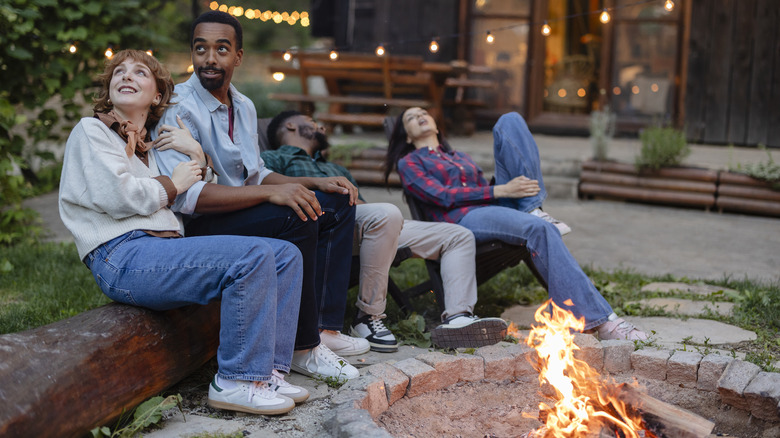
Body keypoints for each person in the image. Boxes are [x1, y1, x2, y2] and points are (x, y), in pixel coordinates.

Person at [58, 49, 308, 416]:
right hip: (121, 254)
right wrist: (170, 185)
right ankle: (235, 381)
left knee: (286, 254)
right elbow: (118, 196)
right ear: (109, 89)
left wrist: (197, 154)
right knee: (253, 257)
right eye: (119, 73)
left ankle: (266, 373)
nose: (126, 76)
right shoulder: (92, 131)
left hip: (162, 249)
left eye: (140, 72)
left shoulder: (151, 145)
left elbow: (193, 190)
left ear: (157, 95)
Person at [151, 11, 365, 382]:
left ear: (238, 56)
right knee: (297, 214)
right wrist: (272, 196)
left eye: (221, 49)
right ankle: (302, 347)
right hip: (204, 224)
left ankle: (324, 329)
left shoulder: (244, 105)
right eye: (201, 49)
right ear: (192, 53)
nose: (210, 59)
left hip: (244, 208)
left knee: (336, 203)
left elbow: (256, 173)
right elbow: (189, 198)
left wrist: (315, 183)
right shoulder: (178, 108)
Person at [384, 108, 648, 341]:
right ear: (407, 136)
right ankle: (603, 322)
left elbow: (484, 189)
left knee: (510, 121)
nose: (419, 116)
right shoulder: (410, 162)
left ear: (437, 126)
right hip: (462, 220)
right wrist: (499, 191)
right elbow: (441, 196)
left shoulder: (460, 156)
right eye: (411, 117)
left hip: (490, 208)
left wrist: (501, 191)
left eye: (423, 113)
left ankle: (532, 208)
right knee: (541, 229)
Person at [263, 111, 509, 349]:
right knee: (387, 213)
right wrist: (316, 185)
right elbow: (260, 181)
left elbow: (365, 208)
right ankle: (368, 317)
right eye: (312, 121)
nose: (322, 127)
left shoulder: (335, 168)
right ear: (291, 126)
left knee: (457, 235)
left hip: (367, 226)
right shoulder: (275, 159)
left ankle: (458, 319)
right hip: (318, 224)